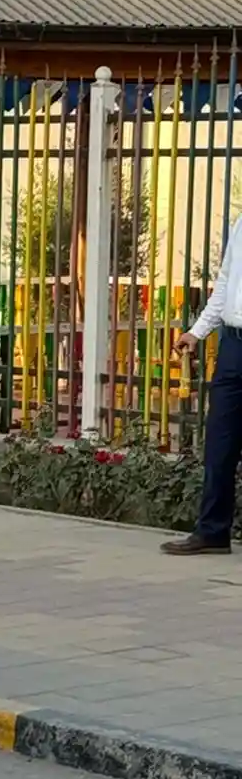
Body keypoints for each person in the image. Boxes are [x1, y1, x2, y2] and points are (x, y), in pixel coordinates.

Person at [163, 212, 242, 556]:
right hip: (233, 345)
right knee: (220, 441)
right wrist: (197, 331)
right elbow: (225, 282)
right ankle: (212, 531)